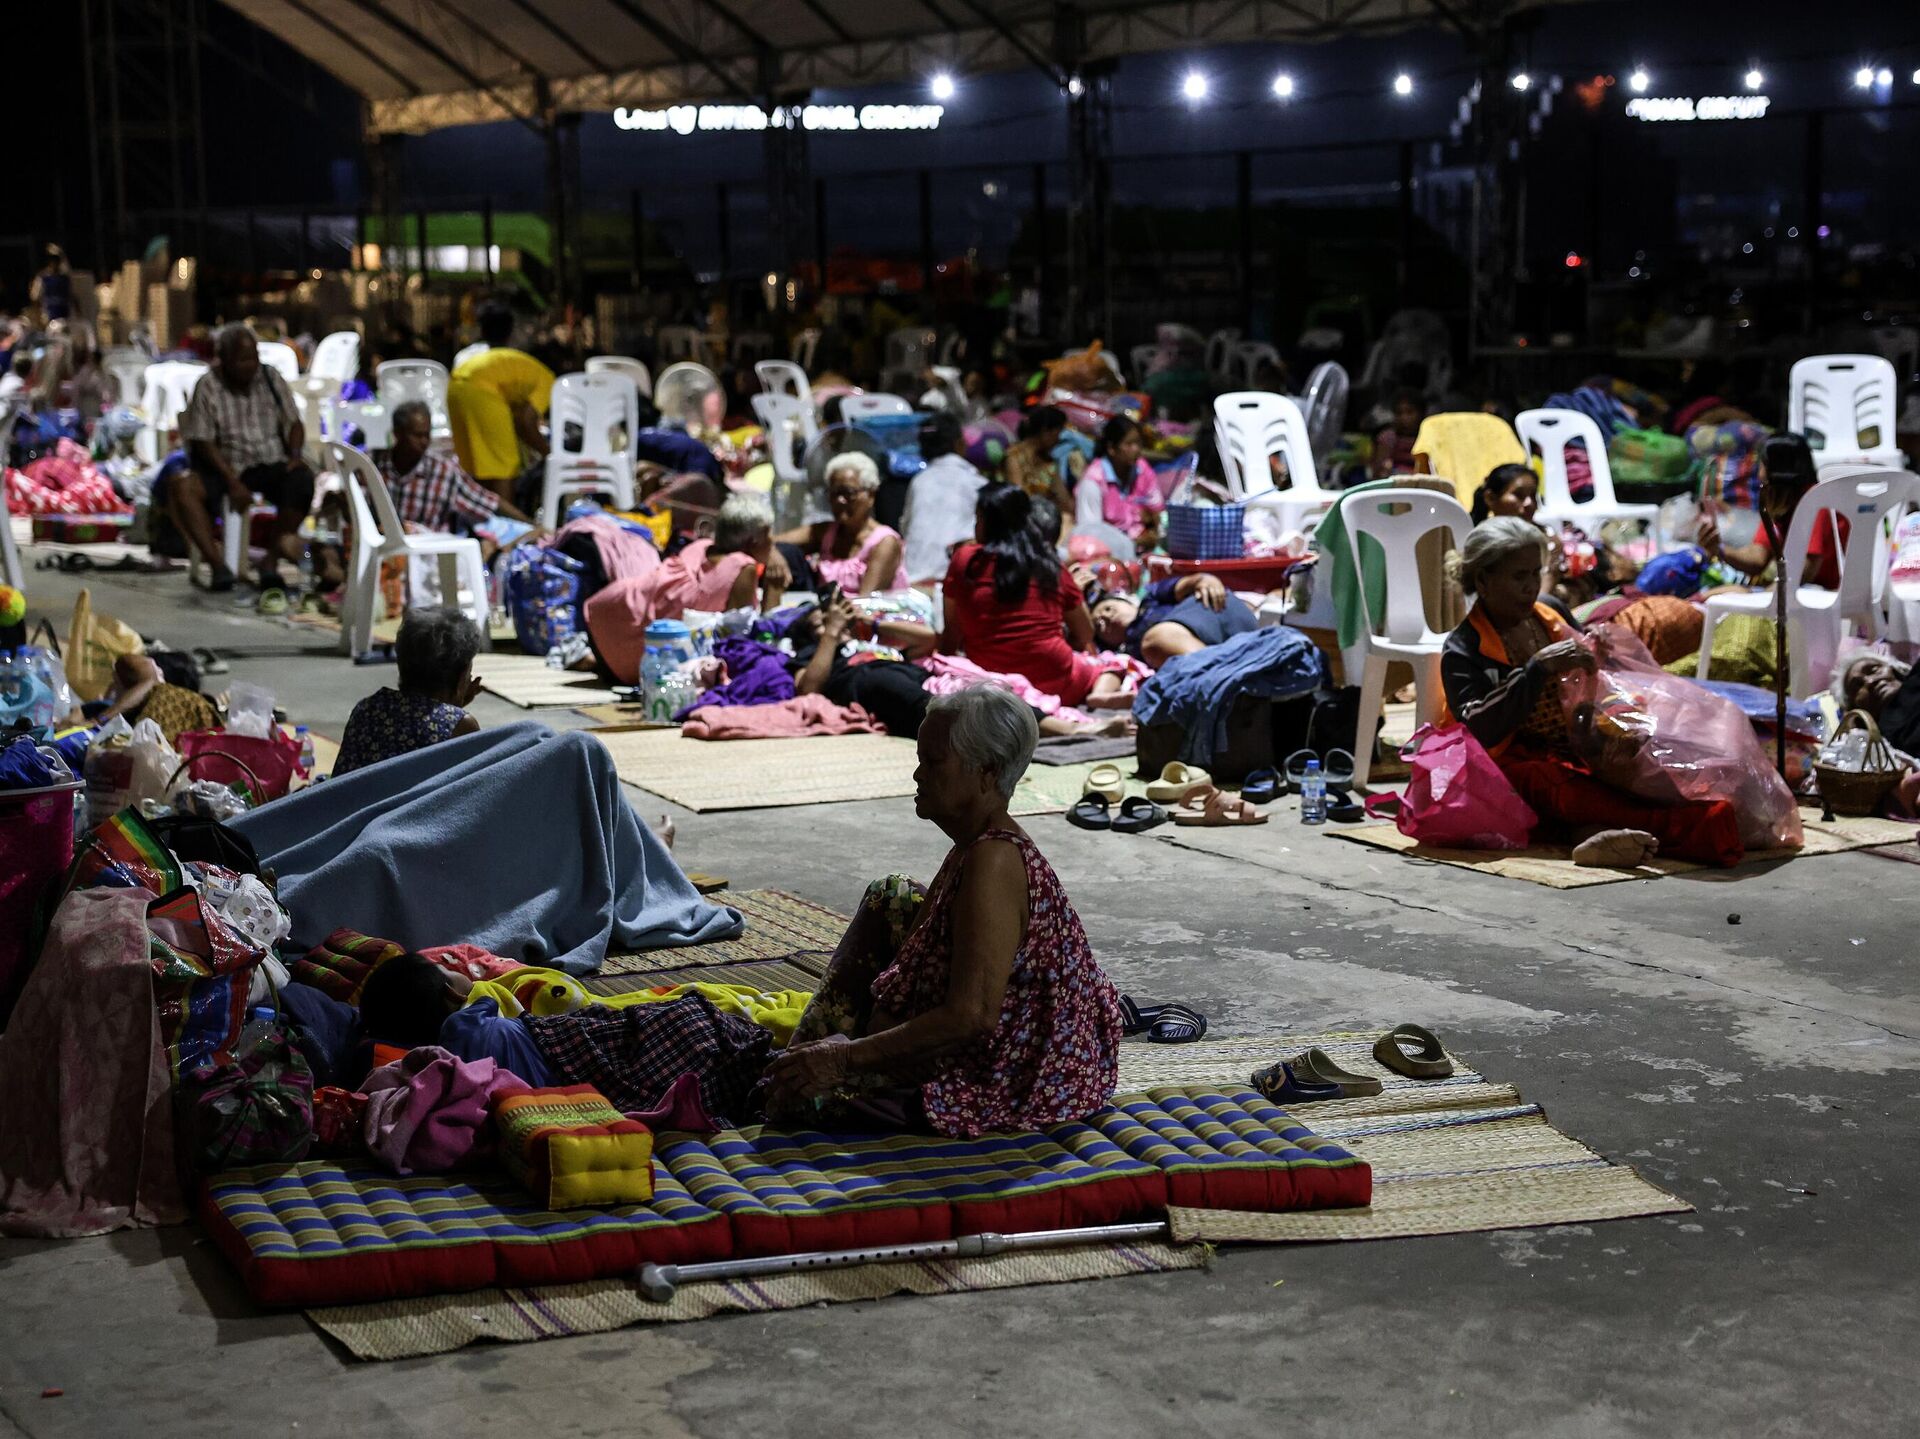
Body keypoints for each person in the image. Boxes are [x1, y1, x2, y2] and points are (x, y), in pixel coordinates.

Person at [763, 685, 1124, 1135]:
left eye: (933, 762)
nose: (918, 775)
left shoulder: (994, 860)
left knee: (797, 1098)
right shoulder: (972, 846)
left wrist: (846, 1058)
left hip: (1013, 1076)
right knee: (891, 895)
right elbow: (919, 953)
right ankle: (807, 1059)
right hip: (987, 1040)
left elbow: (971, 1018)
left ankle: (804, 1068)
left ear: (987, 772)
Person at [1440, 517, 1744, 866]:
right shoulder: (1463, 647)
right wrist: (1535, 670)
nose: (1530, 587)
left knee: (1655, 762)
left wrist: (1606, 691)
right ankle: (1683, 828)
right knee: (1554, 786)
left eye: (1535, 573)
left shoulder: (1549, 612)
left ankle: (1593, 832)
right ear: (1483, 581)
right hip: (1509, 767)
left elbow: (1594, 685)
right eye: (1518, 577)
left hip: (1576, 748)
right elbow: (1479, 728)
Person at [174, 324, 339, 595]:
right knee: (183, 488)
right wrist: (232, 481)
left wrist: (295, 455)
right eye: (242, 360)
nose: (250, 366)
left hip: (270, 460)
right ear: (223, 359)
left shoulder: (270, 377)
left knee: (302, 481)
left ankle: (270, 561)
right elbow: (203, 442)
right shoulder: (208, 385)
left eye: (253, 358)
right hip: (227, 465)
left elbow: (294, 422)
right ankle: (218, 566)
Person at [943, 484, 1130, 709]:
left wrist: (943, 665)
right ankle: (1099, 694)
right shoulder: (1049, 565)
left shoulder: (965, 560)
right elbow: (1086, 633)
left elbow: (952, 631)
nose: (975, 526)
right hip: (1055, 682)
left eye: (978, 519)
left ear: (987, 523)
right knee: (1111, 664)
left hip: (989, 682)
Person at [583, 493, 785, 683]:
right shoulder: (742, 567)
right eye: (769, 536)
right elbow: (746, 642)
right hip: (631, 653)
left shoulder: (701, 546)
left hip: (603, 613)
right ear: (754, 541)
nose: (773, 543)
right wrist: (774, 589)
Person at [333, 607, 483, 776]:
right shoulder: (460, 726)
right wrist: (457, 713)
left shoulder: (367, 709)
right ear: (462, 677)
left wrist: (454, 708)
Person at [446, 303, 554, 504]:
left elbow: (519, 422)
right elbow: (526, 421)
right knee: (505, 466)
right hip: (481, 391)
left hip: (455, 386)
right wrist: (549, 453)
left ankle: (480, 516)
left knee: (477, 464)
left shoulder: (507, 360)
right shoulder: (549, 382)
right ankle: (507, 521)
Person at [378, 400, 529, 533]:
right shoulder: (374, 466)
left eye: (427, 435)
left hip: (429, 549)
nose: (424, 442)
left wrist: (530, 524)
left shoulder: (443, 472)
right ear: (397, 434)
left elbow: (489, 503)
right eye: (417, 436)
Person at [775, 451, 902, 595]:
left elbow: (866, 600)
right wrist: (774, 554)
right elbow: (770, 543)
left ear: (871, 495)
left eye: (848, 493)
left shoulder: (885, 543)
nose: (839, 500)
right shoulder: (826, 532)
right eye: (834, 493)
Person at [1091, 572, 1256, 670]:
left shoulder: (1151, 598)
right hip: (1220, 648)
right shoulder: (1127, 658)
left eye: (1108, 609)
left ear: (1124, 601)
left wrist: (1205, 581)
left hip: (1215, 608)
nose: (1106, 617)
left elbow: (1189, 583)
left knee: (1156, 641)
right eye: (1100, 625)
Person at [900, 410, 986, 585]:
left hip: (913, 579)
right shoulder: (976, 482)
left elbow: (906, 527)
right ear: (959, 443)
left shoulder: (919, 481)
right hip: (956, 580)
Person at [1074, 415, 1164, 542]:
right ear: (1111, 448)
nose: (1136, 449)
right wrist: (1132, 544)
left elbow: (1158, 511)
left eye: (1138, 443)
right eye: (1129, 444)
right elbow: (1090, 533)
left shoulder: (1142, 470)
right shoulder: (1093, 481)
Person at [1002, 404, 1078, 514]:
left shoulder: (1049, 463)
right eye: (1058, 433)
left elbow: (1063, 497)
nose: (1059, 440)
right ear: (1045, 432)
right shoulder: (1014, 458)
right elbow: (1019, 500)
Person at [1471, 462, 1538, 523]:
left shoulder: (1539, 531)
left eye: (1533, 495)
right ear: (1491, 498)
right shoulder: (1482, 532)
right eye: (1519, 494)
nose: (1530, 503)